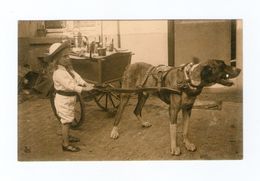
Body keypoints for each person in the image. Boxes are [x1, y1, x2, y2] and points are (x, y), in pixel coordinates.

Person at [46, 41, 94, 152]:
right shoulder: (58, 73)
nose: (68, 58)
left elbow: (77, 77)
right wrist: (83, 89)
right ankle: (65, 144)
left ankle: (67, 136)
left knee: (69, 118)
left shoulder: (68, 69)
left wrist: (85, 83)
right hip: (63, 100)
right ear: (57, 59)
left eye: (68, 55)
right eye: (64, 57)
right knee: (66, 121)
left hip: (70, 99)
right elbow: (69, 85)